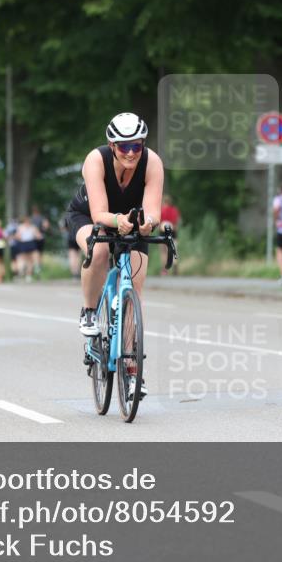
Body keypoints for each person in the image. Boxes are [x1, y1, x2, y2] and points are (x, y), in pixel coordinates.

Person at [64, 113, 164, 399]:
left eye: (137, 146)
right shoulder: (95, 160)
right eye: (124, 147)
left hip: (131, 222)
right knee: (99, 250)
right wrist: (117, 220)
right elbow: (98, 214)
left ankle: (133, 374)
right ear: (112, 144)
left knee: (134, 293)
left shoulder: (152, 162)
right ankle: (89, 310)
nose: (131, 152)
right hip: (89, 216)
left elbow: (153, 209)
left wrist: (148, 223)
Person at [11, 216, 41, 282]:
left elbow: (38, 236)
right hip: (25, 243)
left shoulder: (31, 227)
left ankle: (27, 274)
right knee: (26, 259)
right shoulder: (23, 227)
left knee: (30, 260)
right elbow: (17, 236)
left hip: (28, 243)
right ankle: (24, 272)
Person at [159, 195, 181, 275]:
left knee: (164, 252)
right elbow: (177, 222)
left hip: (163, 233)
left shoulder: (161, 210)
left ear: (164, 202)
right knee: (174, 250)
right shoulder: (174, 210)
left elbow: (159, 223)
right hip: (173, 232)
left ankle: (164, 270)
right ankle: (175, 267)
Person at [30, 206, 50, 278]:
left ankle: (36, 266)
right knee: (40, 253)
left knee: (34, 253)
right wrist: (43, 230)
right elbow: (46, 225)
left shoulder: (31, 219)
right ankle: (39, 266)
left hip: (33, 238)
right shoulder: (42, 218)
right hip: (41, 237)